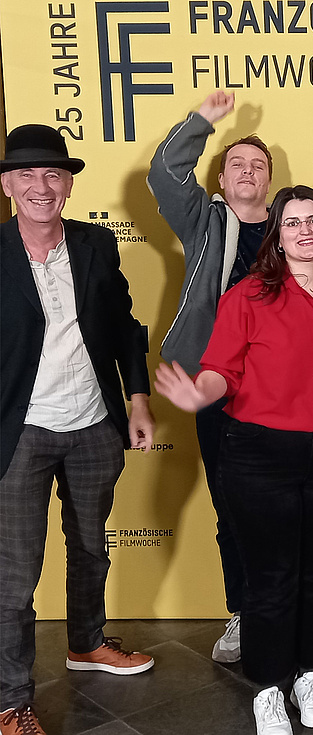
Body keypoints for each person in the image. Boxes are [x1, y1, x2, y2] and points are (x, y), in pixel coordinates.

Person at [155, 186, 313, 735]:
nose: (304, 230)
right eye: (291, 222)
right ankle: (269, 686)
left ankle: (311, 673)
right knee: (271, 578)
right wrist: (202, 394)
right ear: (278, 234)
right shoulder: (248, 295)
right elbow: (222, 367)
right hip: (260, 455)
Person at [1, 124, 155, 735]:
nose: (42, 186)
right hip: (20, 434)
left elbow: (122, 326)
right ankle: (12, 699)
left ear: (67, 184)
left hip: (93, 424)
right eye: (28, 175)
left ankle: (86, 642)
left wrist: (137, 400)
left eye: (53, 175)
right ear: (9, 185)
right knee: (14, 574)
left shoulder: (95, 245)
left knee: (91, 546)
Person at [147, 90, 275, 662]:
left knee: (286, 503)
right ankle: (244, 614)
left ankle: (284, 611)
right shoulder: (205, 222)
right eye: (237, 165)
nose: (248, 173)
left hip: (283, 390)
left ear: (270, 181)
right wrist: (202, 122)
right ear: (221, 179)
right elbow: (165, 172)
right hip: (215, 387)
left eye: (259, 166)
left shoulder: (292, 229)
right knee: (231, 503)